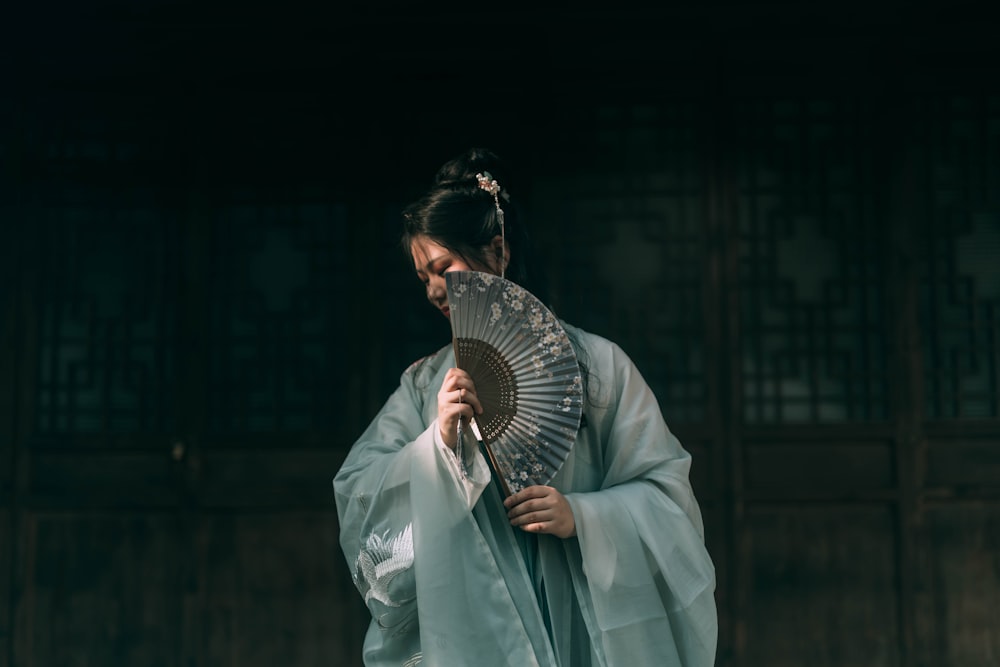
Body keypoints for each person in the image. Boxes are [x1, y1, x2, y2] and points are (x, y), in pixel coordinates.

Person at [333, 147, 718, 666]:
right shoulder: (426, 384)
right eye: (422, 277)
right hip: (478, 615)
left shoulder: (597, 366)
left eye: (442, 267)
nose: (432, 290)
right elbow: (359, 487)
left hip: (583, 619)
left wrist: (583, 516)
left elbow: (667, 495)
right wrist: (437, 447)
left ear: (497, 250)